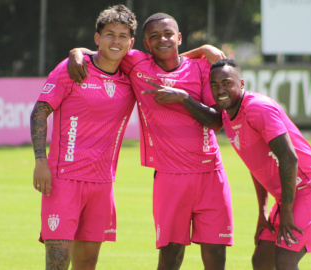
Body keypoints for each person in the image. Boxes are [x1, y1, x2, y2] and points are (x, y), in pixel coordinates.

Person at [67, 13, 233, 270]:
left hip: (211, 174)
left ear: (179, 37)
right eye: (154, 36)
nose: (162, 39)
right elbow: (107, 50)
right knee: (170, 258)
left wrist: (183, 98)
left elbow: (217, 122)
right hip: (170, 177)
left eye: (168, 34)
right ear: (145, 44)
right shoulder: (136, 64)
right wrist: (77, 52)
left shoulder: (201, 68)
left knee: (216, 260)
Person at [30, 5, 137, 270]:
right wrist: (40, 162)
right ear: (97, 38)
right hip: (63, 179)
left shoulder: (133, 74)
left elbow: (167, 59)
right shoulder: (72, 69)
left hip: (102, 182)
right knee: (57, 262)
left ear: (131, 42)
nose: (116, 40)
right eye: (109, 34)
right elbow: (39, 113)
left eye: (123, 36)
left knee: (87, 263)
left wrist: (205, 50)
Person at [208, 59, 311, 270]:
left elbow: (289, 157)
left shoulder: (257, 108)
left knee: (285, 259)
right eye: (214, 85)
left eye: (226, 83)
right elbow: (256, 165)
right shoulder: (227, 117)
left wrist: (286, 212)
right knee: (262, 260)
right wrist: (262, 211)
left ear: (241, 84)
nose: (220, 89)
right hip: (287, 195)